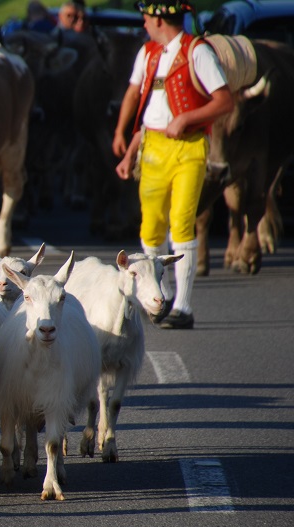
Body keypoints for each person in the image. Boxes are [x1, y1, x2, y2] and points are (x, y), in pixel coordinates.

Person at [113, 0, 234, 329]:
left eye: (146, 18)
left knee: (181, 221)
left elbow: (224, 100)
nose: (143, 24)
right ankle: (162, 296)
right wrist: (126, 140)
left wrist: (187, 119)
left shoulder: (197, 52)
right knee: (150, 225)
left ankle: (183, 306)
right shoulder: (148, 52)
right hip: (153, 146)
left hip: (189, 146)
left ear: (159, 19)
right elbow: (138, 97)